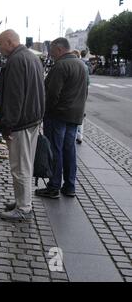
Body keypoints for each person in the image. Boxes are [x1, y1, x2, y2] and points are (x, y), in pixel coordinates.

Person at [0, 30, 45, 222]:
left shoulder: (16, 61)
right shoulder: (31, 58)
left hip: (21, 123)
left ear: (9, 42)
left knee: (20, 166)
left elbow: (14, 98)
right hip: (31, 120)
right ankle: (22, 201)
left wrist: (8, 125)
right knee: (24, 164)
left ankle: (23, 207)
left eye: (0, 44)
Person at [37, 38, 88, 199]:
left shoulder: (60, 66)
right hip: (74, 116)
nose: (51, 54)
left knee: (55, 150)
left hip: (58, 115)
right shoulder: (82, 65)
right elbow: (85, 91)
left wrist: (45, 111)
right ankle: (70, 186)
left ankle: (53, 186)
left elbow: (52, 94)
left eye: (52, 51)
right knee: (69, 150)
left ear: (59, 49)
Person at [72, 50, 90, 144]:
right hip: (81, 95)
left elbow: (87, 83)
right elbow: (88, 83)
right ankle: (79, 136)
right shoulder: (85, 66)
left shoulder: (83, 67)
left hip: (78, 95)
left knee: (79, 116)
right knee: (80, 116)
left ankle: (79, 136)